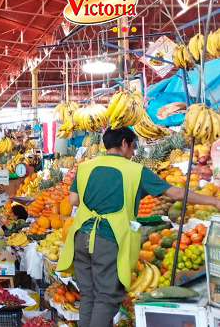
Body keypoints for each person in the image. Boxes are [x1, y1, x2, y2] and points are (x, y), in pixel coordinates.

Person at [58, 127, 220, 327]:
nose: (134, 153)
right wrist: (212, 201)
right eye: (133, 147)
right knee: (107, 297)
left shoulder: (85, 167)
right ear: (124, 143)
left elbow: (73, 200)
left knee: (89, 295)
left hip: (80, 237)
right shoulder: (135, 170)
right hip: (108, 238)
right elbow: (177, 194)